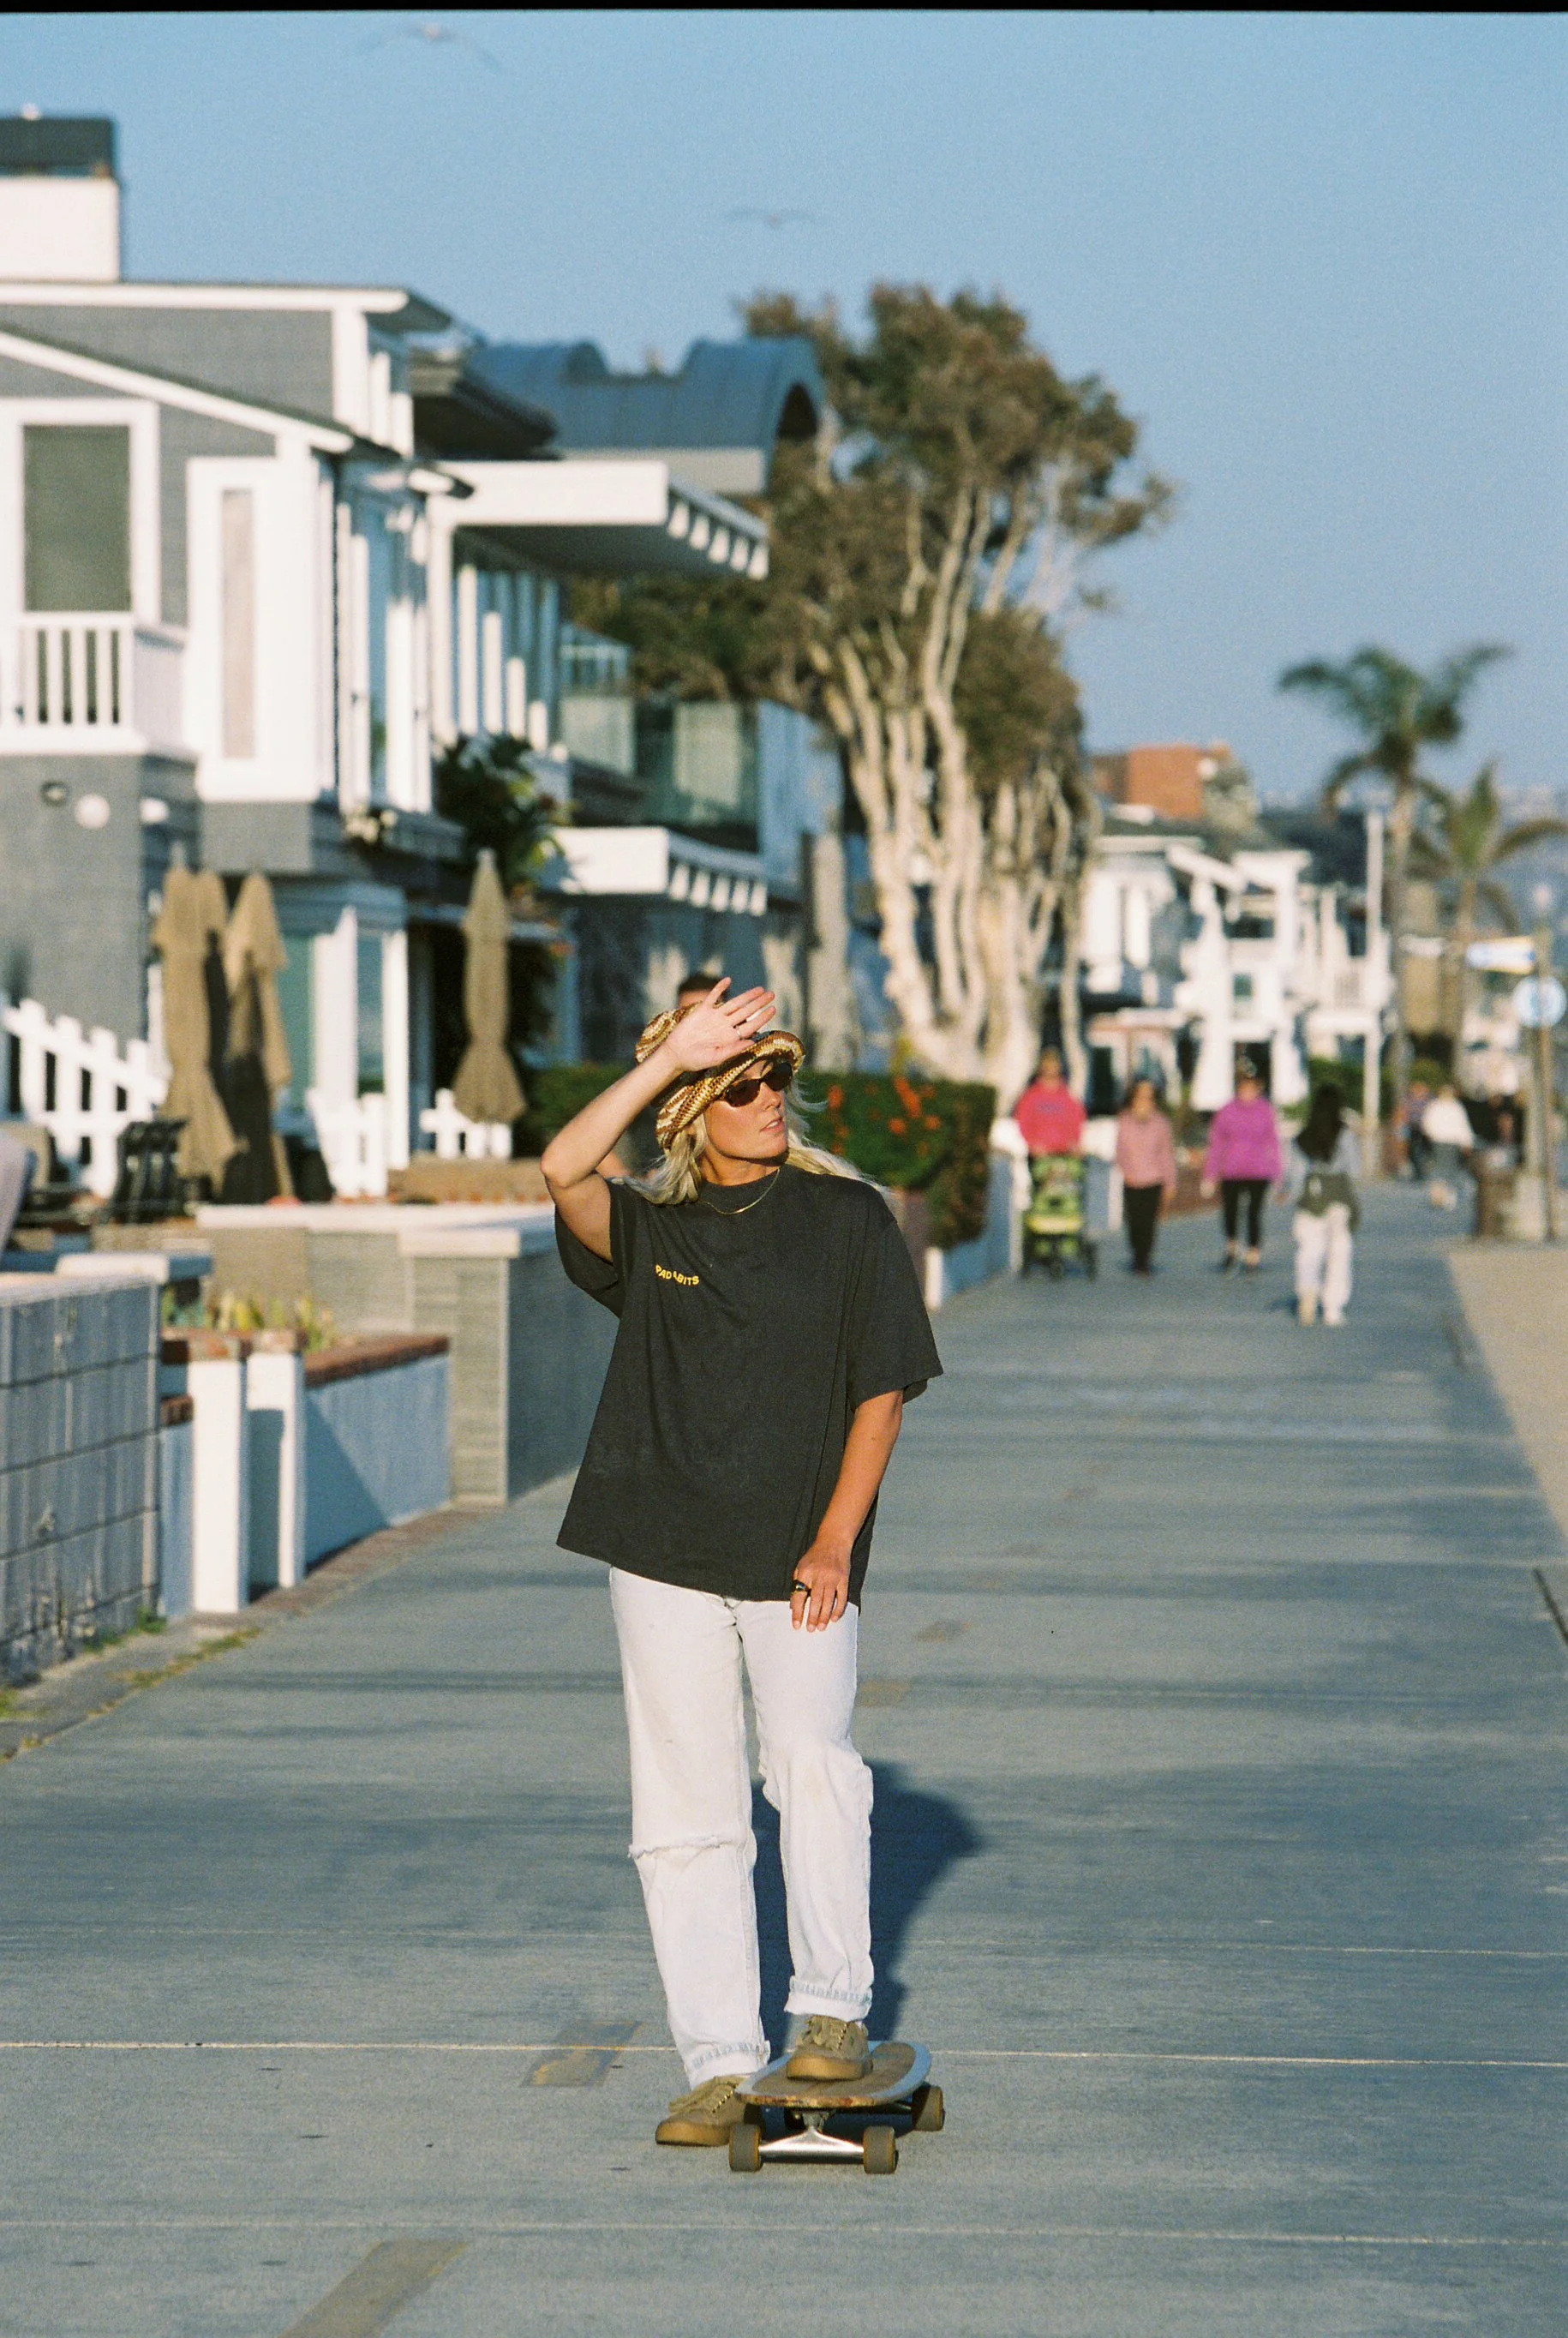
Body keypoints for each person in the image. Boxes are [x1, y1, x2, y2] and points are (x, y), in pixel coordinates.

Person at [542, 979, 942, 2149]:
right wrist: (669, 1059)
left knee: (812, 1763)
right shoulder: (652, 1230)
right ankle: (717, 2059)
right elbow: (563, 1169)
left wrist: (833, 1538)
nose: (771, 1098)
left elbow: (881, 1395)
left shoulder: (845, 1219)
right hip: (657, 1544)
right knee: (683, 1810)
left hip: (796, 1555)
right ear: (688, 1114)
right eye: (741, 1084)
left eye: (777, 1078)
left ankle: (829, 2012)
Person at [1289, 1082, 1360, 1327]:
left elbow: (1295, 1173)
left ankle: (1307, 1291)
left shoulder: (1302, 1137)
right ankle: (1333, 1307)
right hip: (1338, 1195)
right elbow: (1354, 1169)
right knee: (1339, 1250)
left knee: (1309, 1249)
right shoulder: (1345, 1134)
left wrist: (1291, 1194)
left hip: (1311, 1195)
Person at [1200, 1063, 1283, 1271]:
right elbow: (1216, 1143)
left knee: (1254, 1213)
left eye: (1251, 1087)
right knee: (1230, 1212)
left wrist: (1277, 1174)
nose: (1247, 1091)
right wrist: (1210, 1174)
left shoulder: (1266, 1111)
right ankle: (1231, 1248)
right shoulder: (1227, 1111)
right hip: (1232, 1170)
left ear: (1258, 1088)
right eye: (1243, 1087)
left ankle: (1253, 1254)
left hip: (1258, 1170)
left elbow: (1273, 1143)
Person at [1115, 1077, 1177, 1275]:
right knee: (1134, 1221)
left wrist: (1170, 1183)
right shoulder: (1124, 1121)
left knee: (1148, 1222)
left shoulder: (1161, 1123)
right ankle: (1136, 1252)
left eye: (1148, 1098)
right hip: (1132, 1179)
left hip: (1154, 1178)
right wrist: (1125, 1171)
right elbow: (1120, 1151)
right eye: (1140, 1097)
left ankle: (1144, 1259)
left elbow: (1166, 1154)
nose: (1144, 1102)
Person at [1013, 1047, 1086, 1160]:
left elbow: (1077, 1120)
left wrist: (1074, 1142)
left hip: (1064, 1153)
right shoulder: (1030, 1096)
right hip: (1040, 1154)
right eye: (1048, 1067)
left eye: (1054, 1066)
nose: (1051, 1070)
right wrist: (1033, 1144)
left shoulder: (1067, 1096)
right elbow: (1024, 1121)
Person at [1421, 1082, 1475, 1210]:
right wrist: (1467, 1142)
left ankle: (1441, 1196)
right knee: (1447, 1169)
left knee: (1443, 1169)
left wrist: (1466, 1141)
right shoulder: (1451, 1107)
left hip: (1445, 1141)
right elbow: (1462, 1126)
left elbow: (1427, 1124)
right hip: (1446, 1141)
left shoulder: (1438, 1106)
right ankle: (1444, 1197)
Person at [1402, 1077, 1433, 1184]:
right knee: (1412, 1150)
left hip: (1426, 1128)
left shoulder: (1429, 1100)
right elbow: (1405, 1111)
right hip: (1413, 1127)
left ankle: (1423, 1171)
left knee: (1425, 1150)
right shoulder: (1409, 1099)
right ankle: (1417, 1172)